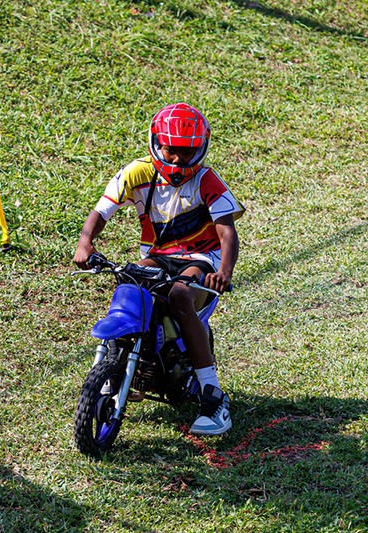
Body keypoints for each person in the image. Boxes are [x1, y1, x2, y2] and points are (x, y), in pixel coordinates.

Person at [73, 103, 245, 436]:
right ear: (156, 143)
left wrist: (223, 271)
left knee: (180, 295)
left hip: (201, 258)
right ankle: (122, 368)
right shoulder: (136, 172)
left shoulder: (207, 179)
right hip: (157, 255)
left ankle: (213, 396)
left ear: (201, 149)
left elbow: (226, 232)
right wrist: (85, 244)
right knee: (126, 284)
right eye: (172, 149)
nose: (179, 159)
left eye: (188, 151)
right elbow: (100, 213)